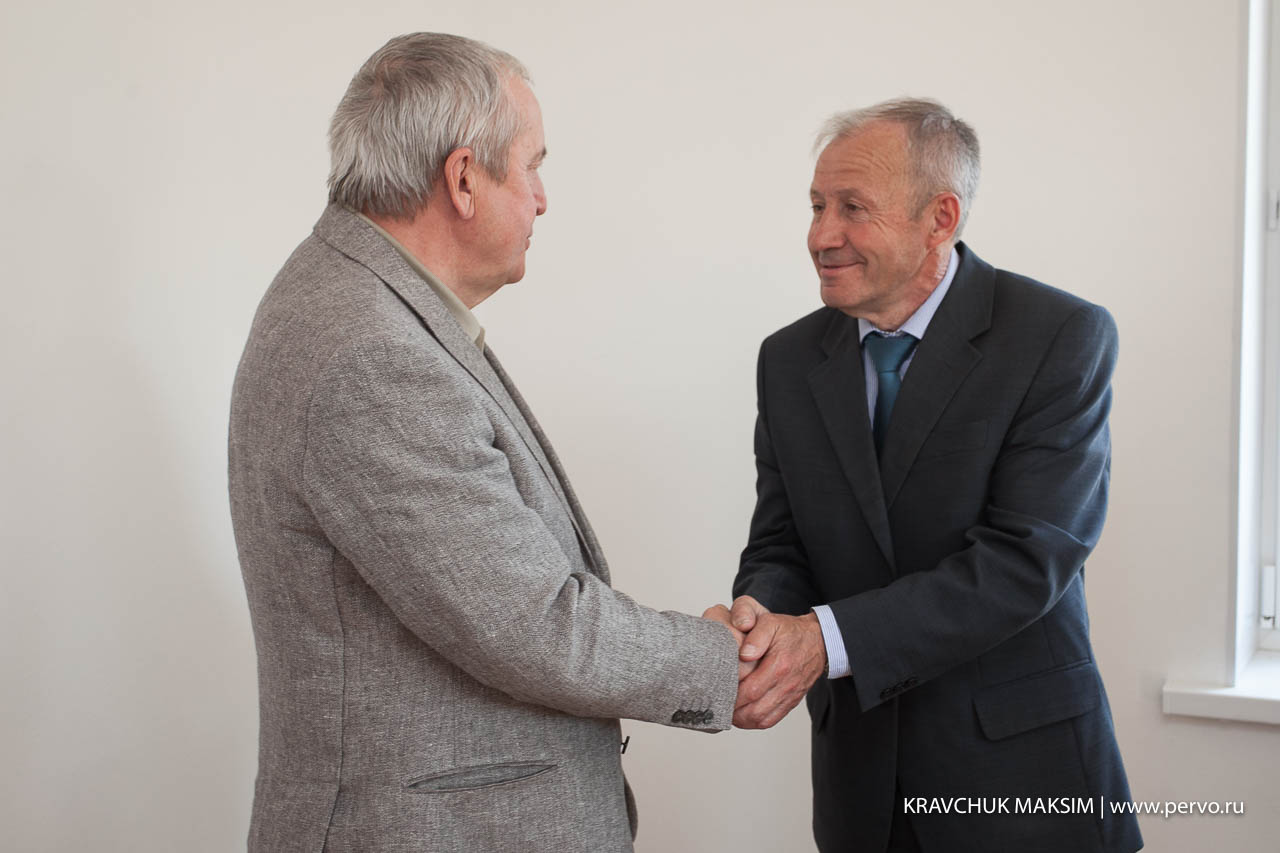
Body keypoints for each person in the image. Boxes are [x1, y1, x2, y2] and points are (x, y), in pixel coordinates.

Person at [228, 32, 742, 853]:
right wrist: (725, 662)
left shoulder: (355, 298)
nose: (542, 199)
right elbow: (534, 624)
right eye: (532, 166)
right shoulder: (373, 354)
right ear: (464, 179)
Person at [727, 99, 1143, 852]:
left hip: (1022, 783)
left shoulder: (1059, 336)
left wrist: (822, 639)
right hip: (860, 793)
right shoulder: (786, 359)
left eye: (853, 208)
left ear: (940, 218)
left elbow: (1025, 562)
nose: (821, 235)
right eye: (817, 206)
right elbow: (782, 542)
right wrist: (756, 626)